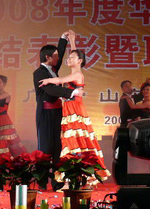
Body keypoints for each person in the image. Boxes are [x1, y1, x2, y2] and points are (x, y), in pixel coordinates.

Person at [39, 35, 109, 179]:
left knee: (76, 138)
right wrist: (72, 41)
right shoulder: (74, 71)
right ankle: (74, 176)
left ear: (79, 61)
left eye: (72, 58)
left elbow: (60, 80)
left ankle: (81, 175)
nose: (68, 59)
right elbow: (76, 55)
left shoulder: (77, 74)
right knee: (73, 139)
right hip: (69, 108)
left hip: (75, 109)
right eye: (69, 57)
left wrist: (48, 80)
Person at [33, 30, 82, 162]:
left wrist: (63, 38)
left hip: (58, 111)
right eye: (55, 56)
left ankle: (57, 174)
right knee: (46, 147)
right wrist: (71, 92)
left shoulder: (53, 69)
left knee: (58, 144)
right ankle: (43, 175)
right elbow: (50, 89)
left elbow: (59, 52)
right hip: (46, 114)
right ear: (48, 57)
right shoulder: (39, 73)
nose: (58, 58)